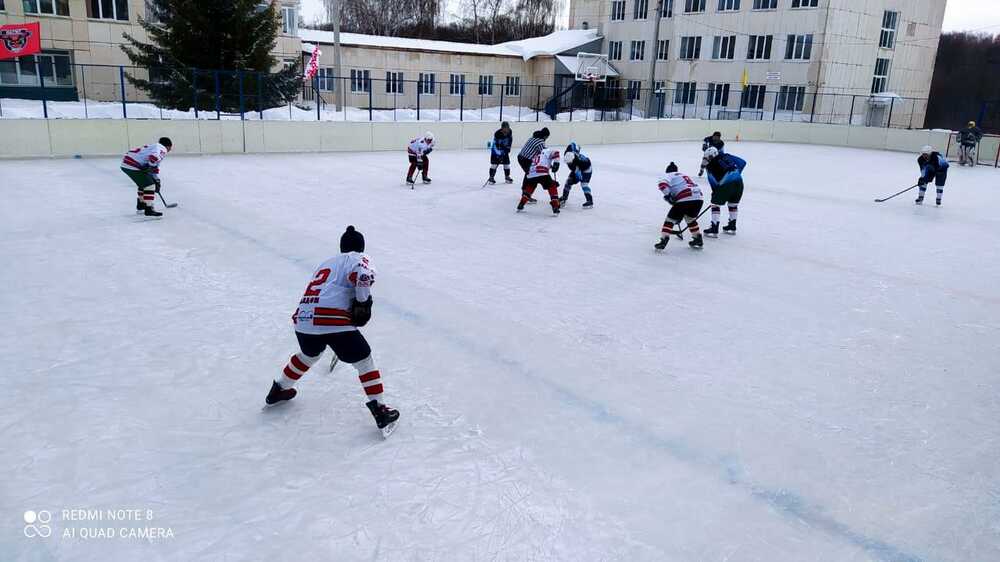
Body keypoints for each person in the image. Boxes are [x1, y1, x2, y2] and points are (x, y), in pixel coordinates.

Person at [266, 226, 400, 436]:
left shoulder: (326, 263)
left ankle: (279, 389)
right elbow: (363, 275)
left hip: (303, 320)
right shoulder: (359, 258)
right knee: (364, 361)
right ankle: (381, 410)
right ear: (361, 247)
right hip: (332, 320)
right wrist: (362, 302)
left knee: (309, 354)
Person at [654, 162, 704, 251]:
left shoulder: (668, 175)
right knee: (690, 218)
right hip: (699, 198)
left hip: (685, 197)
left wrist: (668, 196)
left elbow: (662, 185)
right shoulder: (683, 175)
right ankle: (697, 239)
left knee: (670, 220)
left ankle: (663, 240)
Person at [701, 146, 747, 236]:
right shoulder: (727, 156)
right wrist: (736, 173)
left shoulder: (710, 166)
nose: (707, 160)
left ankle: (714, 228)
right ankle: (732, 226)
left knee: (715, 204)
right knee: (733, 204)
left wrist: (715, 195)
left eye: (707, 158)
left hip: (726, 185)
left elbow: (713, 182)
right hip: (739, 183)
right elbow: (742, 162)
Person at [121, 137, 172, 217]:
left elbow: (154, 167)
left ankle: (141, 204)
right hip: (133, 165)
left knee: (144, 183)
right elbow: (153, 158)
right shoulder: (162, 148)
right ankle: (149, 209)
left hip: (127, 162)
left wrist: (155, 178)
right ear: (168, 146)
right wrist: (150, 167)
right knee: (150, 185)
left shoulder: (155, 146)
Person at [517, 147, 561, 215]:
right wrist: (556, 164)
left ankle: (521, 204)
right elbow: (556, 153)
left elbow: (541, 162)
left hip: (531, 173)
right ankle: (555, 206)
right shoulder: (547, 151)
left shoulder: (536, 154)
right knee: (552, 186)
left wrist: (552, 167)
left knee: (530, 188)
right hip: (542, 172)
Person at [517, 127, 550, 203]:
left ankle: (525, 193)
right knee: (530, 175)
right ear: (545, 136)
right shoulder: (540, 142)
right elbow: (544, 153)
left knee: (529, 174)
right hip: (526, 159)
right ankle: (525, 194)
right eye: (547, 137)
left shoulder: (532, 138)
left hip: (521, 157)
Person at [560, 142, 594, 209]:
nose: (569, 164)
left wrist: (578, 174)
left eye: (570, 163)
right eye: (568, 163)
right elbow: (572, 144)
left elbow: (579, 170)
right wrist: (575, 173)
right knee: (568, 182)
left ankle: (590, 201)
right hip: (577, 167)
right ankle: (564, 197)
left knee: (584, 184)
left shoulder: (583, 162)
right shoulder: (568, 154)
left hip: (586, 170)